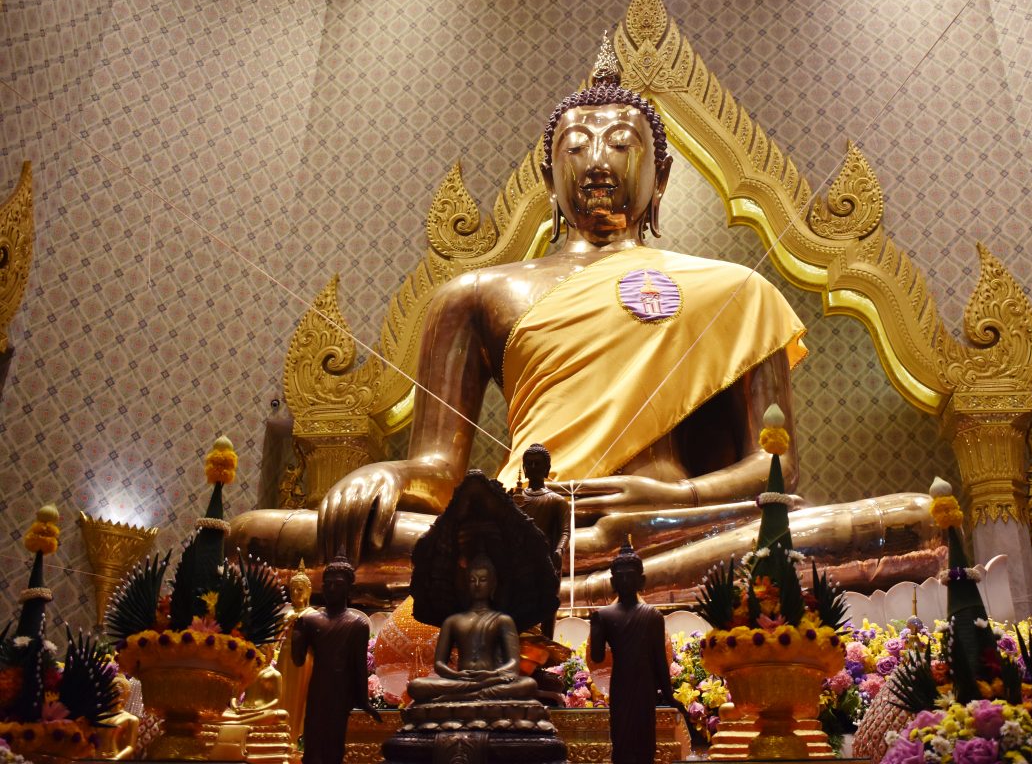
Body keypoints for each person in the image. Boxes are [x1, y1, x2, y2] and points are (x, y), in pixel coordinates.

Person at [229, 39, 936, 600]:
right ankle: (561, 567)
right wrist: (385, 475)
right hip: (508, 525)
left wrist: (667, 495)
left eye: (622, 144)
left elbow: (773, 475)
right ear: (548, 176)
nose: (598, 160)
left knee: (916, 519)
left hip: (667, 525)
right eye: (576, 146)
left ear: (661, 176)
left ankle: (571, 566)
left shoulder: (732, 292)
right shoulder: (475, 293)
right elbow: (441, 470)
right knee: (253, 535)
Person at [406, 554, 538, 703]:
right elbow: (439, 664)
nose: (477, 584)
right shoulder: (453, 621)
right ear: (466, 585)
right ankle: (474, 696)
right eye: (472, 580)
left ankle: (462, 698)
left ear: (492, 584)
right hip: (461, 681)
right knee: (416, 686)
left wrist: (492, 675)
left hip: (491, 680)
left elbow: (513, 664)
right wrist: (456, 676)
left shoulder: (502, 620)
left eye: (482, 580)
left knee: (529, 685)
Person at [290, 556, 381, 764]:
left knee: (333, 744)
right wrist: (297, 635)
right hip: (318, 689)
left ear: (349, 589)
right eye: (327, 584)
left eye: (338, 584)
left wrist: (364, 701)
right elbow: (297, 660)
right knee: (313, 740)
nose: (331, 588)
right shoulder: (311, 620)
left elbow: (359, 666)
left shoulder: (357, 623)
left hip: (341, 692)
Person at [589, 541, 671, 764]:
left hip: (645, 687)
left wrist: (670, 694)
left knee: (645, 742)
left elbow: (659, 661)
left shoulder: (653, 616)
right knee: (622, 742)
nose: (625, 581)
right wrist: (596, 629)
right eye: (620, 577)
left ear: (641, 580)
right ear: (613, 582)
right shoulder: (603, 616)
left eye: (631, 576)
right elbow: (597, 657)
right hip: (621, 686)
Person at [513, 444, 569, 639]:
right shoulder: (514, 497)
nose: (534, 467)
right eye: (530, 464)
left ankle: (545, 649)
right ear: (524, 468)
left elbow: (564, 531)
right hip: (519, 563)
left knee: (545, 609)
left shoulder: (556, 501)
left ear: (547, 468)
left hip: (544, 563)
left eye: (538, 463)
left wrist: (559, 550)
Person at [278, 563, 317, 749]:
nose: (296, 594)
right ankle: (281, 736)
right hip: (284, 659)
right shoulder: (286, 615)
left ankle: (298, 737)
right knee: (283, 694)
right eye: (292, 590)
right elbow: (274, 639)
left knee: (301, 697)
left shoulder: (313, 615)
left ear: (309, 591)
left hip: (304, 660)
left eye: (300, 589)